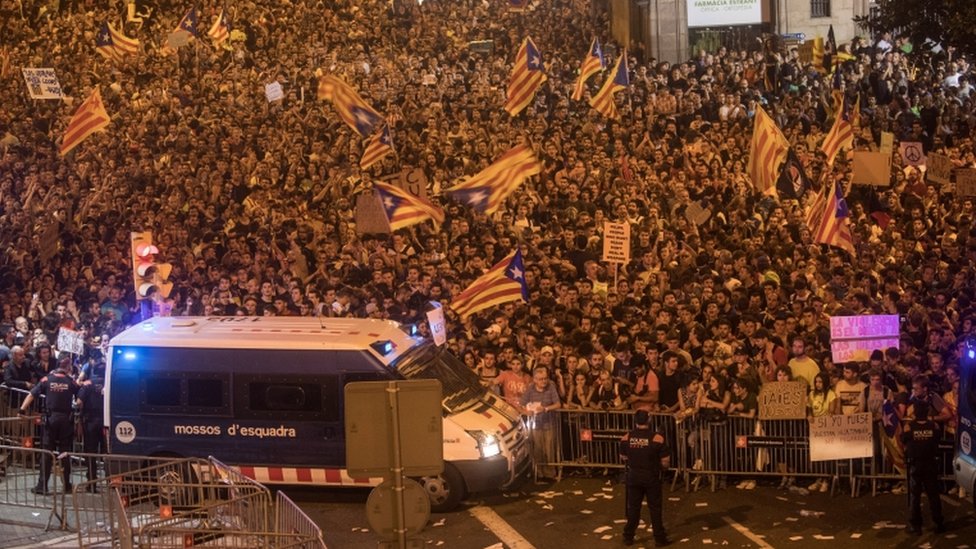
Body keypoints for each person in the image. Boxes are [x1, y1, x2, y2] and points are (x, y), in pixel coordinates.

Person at [18, 353, 80, 494]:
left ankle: (42, 485)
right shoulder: (71, 382)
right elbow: (79, 400)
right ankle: (67, 485)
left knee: (47, 453)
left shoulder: (47, 379)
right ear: (68, 366)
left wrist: (22, 410)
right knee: (64, 452)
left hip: (50, 420)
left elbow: (31, 394)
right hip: (66, 420)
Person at [619, 410, 672, 547]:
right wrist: (662, 469)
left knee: (633, 508)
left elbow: (623, 457)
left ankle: (628, 537)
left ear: (635, 421)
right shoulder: (657, 438)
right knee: (655, 509)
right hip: (651, 477)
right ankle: (659, 539)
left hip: (633, 476)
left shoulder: (626, 437)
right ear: (649, 421)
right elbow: (665, 461)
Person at [900, 401, 945, 535]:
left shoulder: (909, 427)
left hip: (916, 464)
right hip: (930, 463)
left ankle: (915, 525)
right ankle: (938, 523)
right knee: (933, 495)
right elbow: (937, 438)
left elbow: (903, 439)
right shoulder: (934, 425)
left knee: (915, 496)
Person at [520, 365, 562, 481]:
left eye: (545, 378)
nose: (544, 381)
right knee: (537, 449)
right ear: (535, 379)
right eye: (541, 379)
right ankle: (539, 472)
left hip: (549, 423)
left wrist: (546, 408)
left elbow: (558, 404)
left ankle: (550, 473)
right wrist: (526, 411)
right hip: (535, 425)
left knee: (549, 449)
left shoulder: (551, 387)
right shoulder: (530, 388)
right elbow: (521, 403)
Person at [76, 362, 107, 490]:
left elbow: (79, 402)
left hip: (90, 422)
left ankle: (92, 482)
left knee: (90, 452)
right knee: (106, 453)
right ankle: (111, 480)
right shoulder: (109, 383)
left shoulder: (88, 384)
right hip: (106, 422)